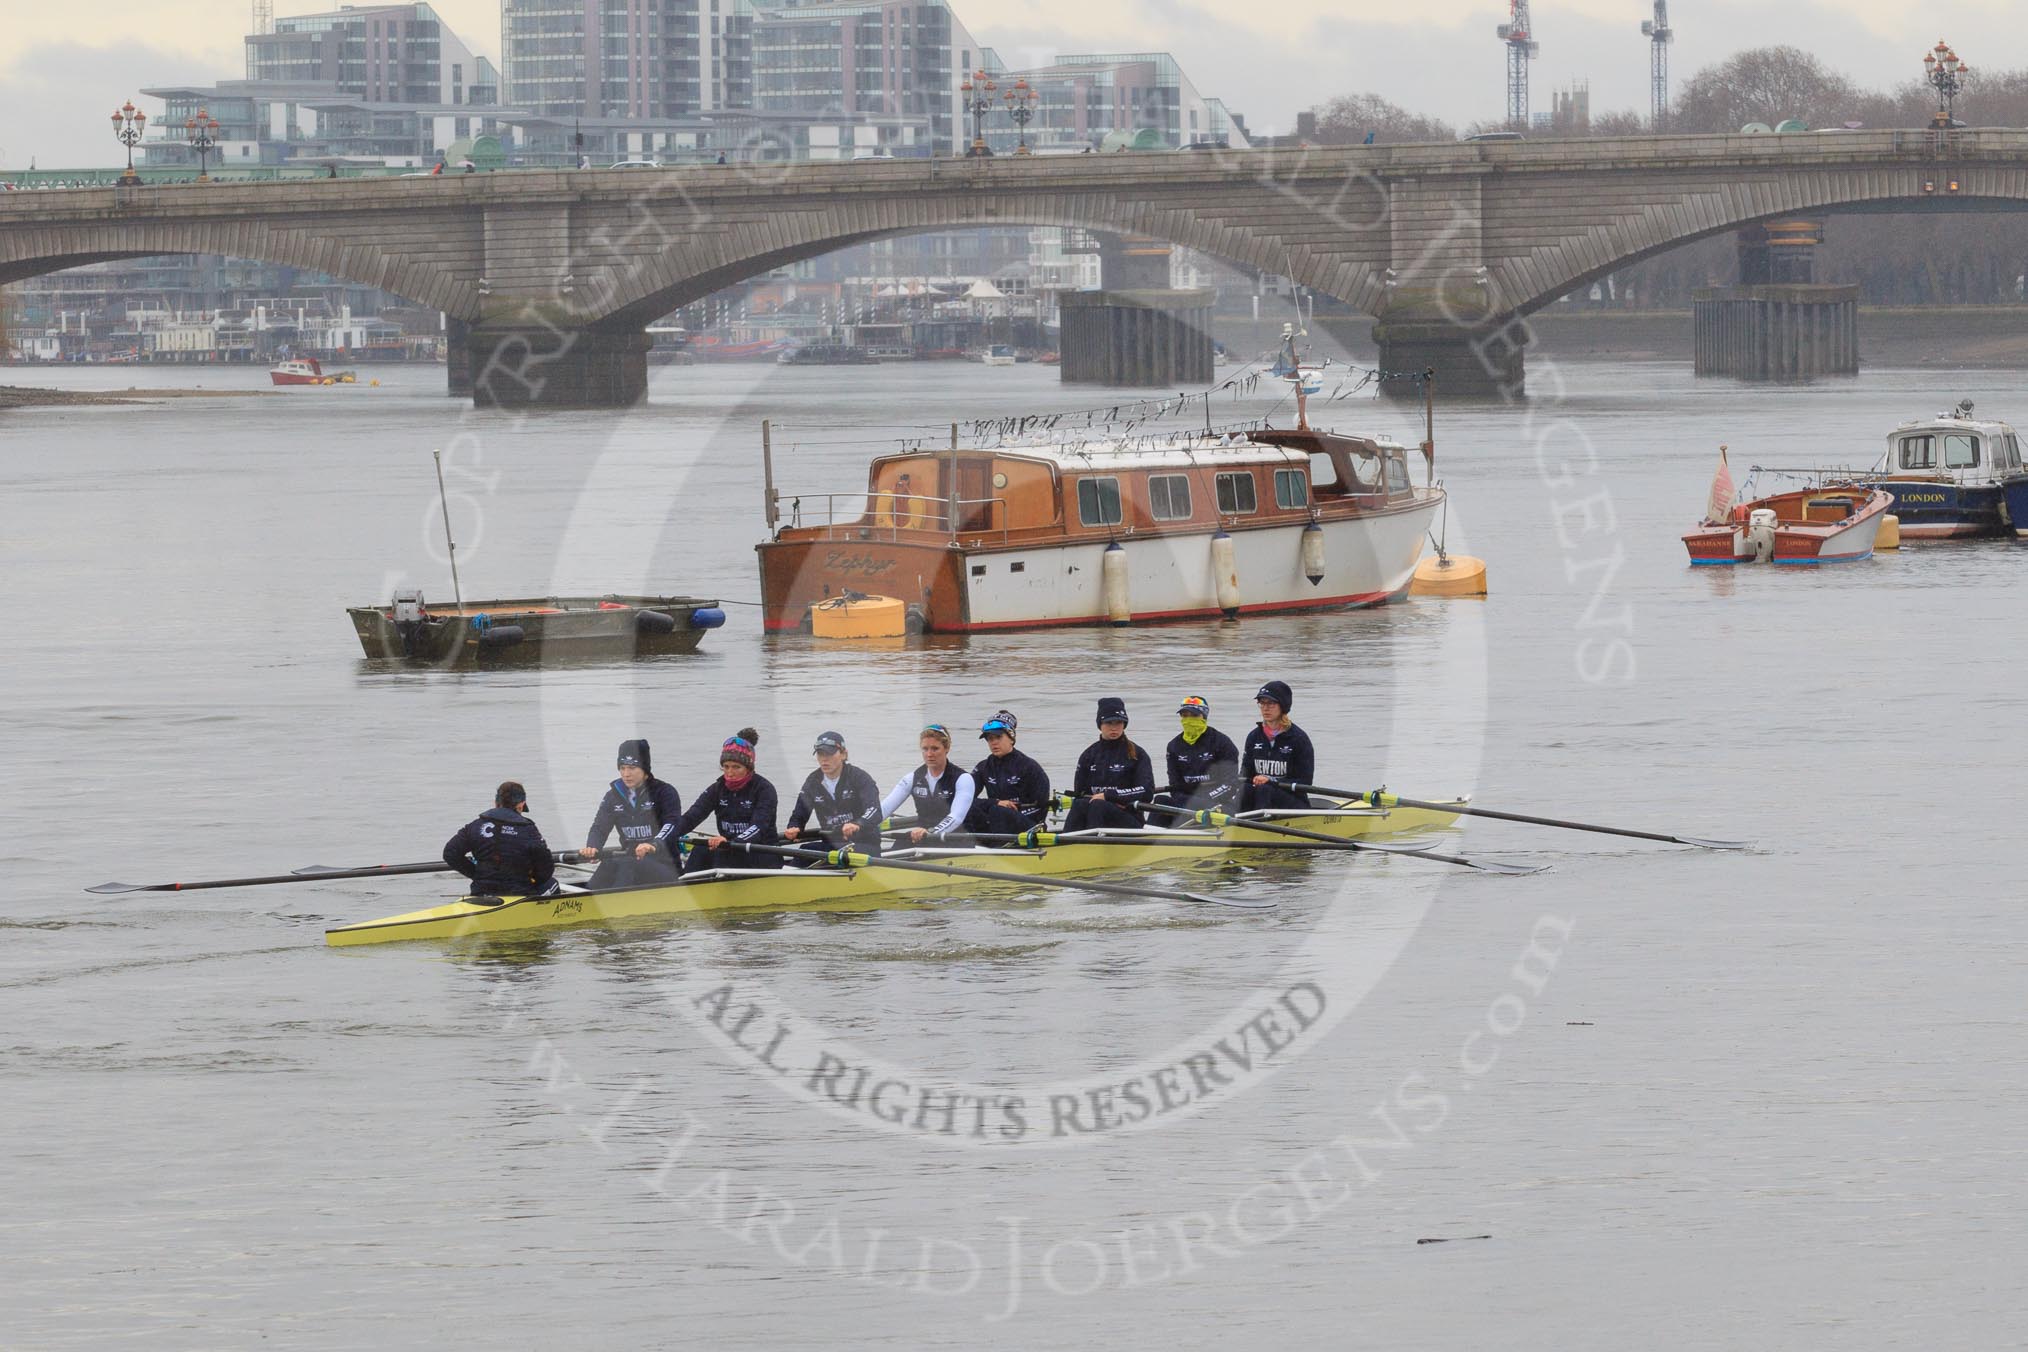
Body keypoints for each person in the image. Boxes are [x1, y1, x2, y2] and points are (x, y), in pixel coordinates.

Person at [577, 739, 683, 889]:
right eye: (622, 768)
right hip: (630, 862)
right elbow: (600, 827)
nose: (626, 774)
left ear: (645, 769)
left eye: (632, 768)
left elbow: (672, 825)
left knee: (628, 862)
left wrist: (654, 844)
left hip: (665, 866)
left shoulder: (665, 792)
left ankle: (615, 905)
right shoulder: (613, 796)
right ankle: (585, 901)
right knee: (609, 862)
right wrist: (592, 847)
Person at [670, 733, 782, 873]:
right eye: (726, 766)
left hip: (761, 853)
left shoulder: (764, 789)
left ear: (748, 768)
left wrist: (732, 842)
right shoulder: (717, 789)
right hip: (730, 848)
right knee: (700, 850)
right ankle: (682, 888)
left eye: (736, 767)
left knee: (721, 853)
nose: (729, 773)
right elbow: (690, 818)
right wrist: (661, 836)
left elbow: (757, 828)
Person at [442, 781, 560, 901]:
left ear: (496, 803)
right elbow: (546, 868)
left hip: (481, 892)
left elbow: (450, 853)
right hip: (519, 894)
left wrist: (477, 875)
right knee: (552, 884)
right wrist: (534, 880)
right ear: (521, 805)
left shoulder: (476, 825)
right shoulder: (528, 829)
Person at [784, 730, 885, 861]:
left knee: (824, 853)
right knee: (804, 851)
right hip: (832, 844)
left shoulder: (859, 777)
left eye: (829, 754)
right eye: (820, 754)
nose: (824, 759)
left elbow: (875, 811)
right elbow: (799, 813)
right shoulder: (813, 781)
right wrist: (794, 827)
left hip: (864, 843)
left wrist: (858, 823)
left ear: (843, 754)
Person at [1064, 697, 1154, 832]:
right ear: (1100, 724)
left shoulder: (1137, 754)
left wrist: (1110, 796)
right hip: (1097, 813)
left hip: (1130, 819)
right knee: (1079, 804)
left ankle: (1093, 847)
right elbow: (1080, 793)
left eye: (1118, 723)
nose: (1114, 728)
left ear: (1124, 724)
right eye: (1108, 723)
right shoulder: (1088, 755)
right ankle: (1067, 844)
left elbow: (1146, 792)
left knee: (1099, 805)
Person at [881, 724, 976, 846]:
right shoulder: (911, 778)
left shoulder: (963, 779)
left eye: (935, 749)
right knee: (900, 844)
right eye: (925, 749)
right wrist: (859, 824)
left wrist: (931, 832)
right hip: (922, 836)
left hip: (954, 838)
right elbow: (884, 809)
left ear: (947, 748)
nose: (929, 754)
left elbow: (956, 817)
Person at [965, 710, 1052, 836]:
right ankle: (967, 847)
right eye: (990, 739)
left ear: (1011, 738)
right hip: (998, 819)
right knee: (966, 809)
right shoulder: (983, 767)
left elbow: (1041, 807)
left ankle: (997, 847)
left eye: (998, 737)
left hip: (1029, 824)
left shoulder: (1029, 767)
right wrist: (994, 802)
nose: (994, 742)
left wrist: (1005, 809)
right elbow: (964, 799)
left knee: (999, 811)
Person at [1155, 695, 1242, 814]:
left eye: (1194, 715)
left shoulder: (1222, 742)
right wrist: (1186, 801)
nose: (1189, 720)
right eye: (1185, 716)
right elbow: (1175, 787)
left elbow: (1230, 785)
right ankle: (1149, 832)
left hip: (1217, 800)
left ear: (1204, 717)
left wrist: (1203, 799)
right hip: (1187, 802)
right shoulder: (1173, 746)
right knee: (1160, 800)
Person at [1240, 681, 1317, 812]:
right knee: (1245, 789)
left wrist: (1271, 780)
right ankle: (1237, 824)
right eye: (1262, 703)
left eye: (1271, 703)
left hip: (1293, 800)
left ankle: (1256, 826)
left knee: (1265, 789)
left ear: (1283, 706)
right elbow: (1245, 775)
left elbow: (1305, 781)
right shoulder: (1253, 737)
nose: (1265, 708)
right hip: (1263, 798)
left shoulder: (1298, 738)